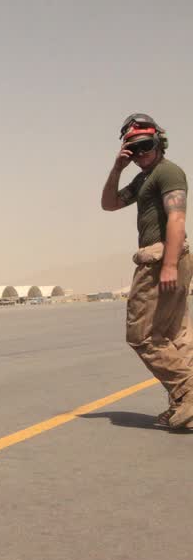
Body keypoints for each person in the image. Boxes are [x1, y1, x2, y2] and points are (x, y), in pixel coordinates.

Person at [101, 113, 193, 429]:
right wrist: (117, 168)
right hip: (167, 258)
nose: (140, 154)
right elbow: (109, 203)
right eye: (133, 149)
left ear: (158, 142)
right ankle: (184, 402)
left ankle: (188, 394)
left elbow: (178, 219)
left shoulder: (168, 172)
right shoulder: (144, 178)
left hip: (161, 257)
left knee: (141, 335)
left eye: (145, 146)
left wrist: (167, 264)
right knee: (175, 335)